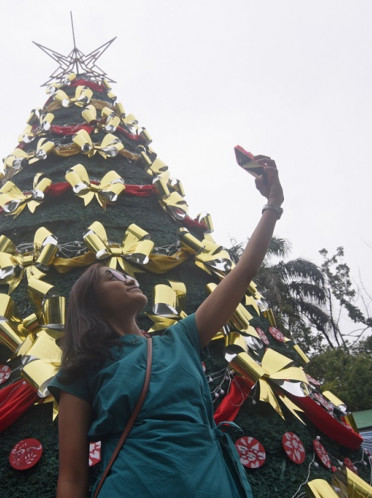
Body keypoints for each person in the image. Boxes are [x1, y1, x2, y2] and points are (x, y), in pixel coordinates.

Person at [49, 157, 284, 497]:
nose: (127, 276)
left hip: (212, 485)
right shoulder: (80, 370)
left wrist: (272, 205)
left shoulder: (182, 339)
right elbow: (71, 477)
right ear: (91, 301)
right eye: (110, 277)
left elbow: (241, 273)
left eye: (124, 272)